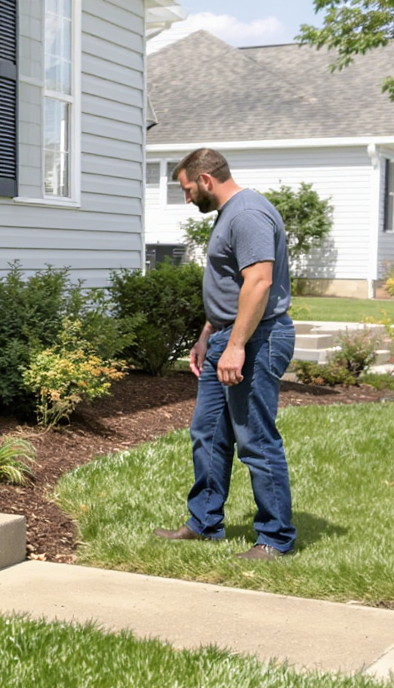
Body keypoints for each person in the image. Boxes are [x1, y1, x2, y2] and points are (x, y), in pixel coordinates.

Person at [153, 148, 298, 560]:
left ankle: (275, 538)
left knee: (255, 439)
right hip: (229, 337)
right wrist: (208, 335)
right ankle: (204, 523)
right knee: (208, 432)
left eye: (186, 189)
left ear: (206, 180)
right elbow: (232, 285)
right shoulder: (231, 214)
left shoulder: (247, 213)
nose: (186, 199)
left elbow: (259, 283)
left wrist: (235, 346)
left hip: (257, 339)